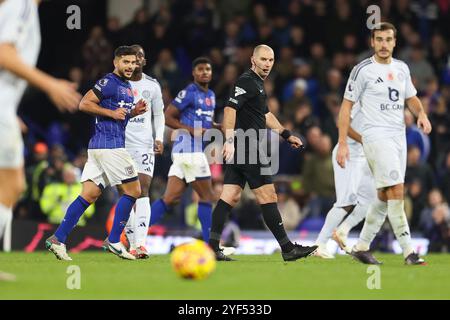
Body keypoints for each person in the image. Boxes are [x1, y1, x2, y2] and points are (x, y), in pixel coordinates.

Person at [209, 44, 317, 261]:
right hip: (247, 147)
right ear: (253, 60)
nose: (267, 64)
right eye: (263, 59)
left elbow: (265, 114)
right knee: (268, 195)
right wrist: (229, 141)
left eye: (270, 60)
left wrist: (286, 134)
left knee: (230, 195)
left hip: (243, 147)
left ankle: (212, 247)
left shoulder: (257, 84)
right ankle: (288, 249)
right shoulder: (246, 81)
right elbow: (229, 110)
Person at [336, 22, 432, 265]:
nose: (384, 44)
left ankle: (362, 246)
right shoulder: (362, 70)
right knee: (397, 190)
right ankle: (409, 251)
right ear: (372, 42)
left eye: (388, 39)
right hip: (375, 136)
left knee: (383, 195)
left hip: (398, 137)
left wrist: (421, 114)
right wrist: (343, 142)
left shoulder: (402, 68)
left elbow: (412, 98)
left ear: (395, 42)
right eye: (379, 39)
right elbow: (346, 108)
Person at [0, 0, 81, 279]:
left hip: (4, 109)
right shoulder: (21, 5)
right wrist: (51, 85)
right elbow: (4, 54)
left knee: (12, 184)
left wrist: (12, 113)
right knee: (11, 184)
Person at [46, 46, 148, 261]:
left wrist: (132, 112)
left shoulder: (127, 86)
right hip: (110, 146)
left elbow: (119, 116)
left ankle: (58, 238)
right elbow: (84, 103)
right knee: (134, 190)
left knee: (89, 194)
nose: (130, 66)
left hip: (100, 147)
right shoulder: (109, 81)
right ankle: (114, 240)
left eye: (133, 62)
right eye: (125, 62)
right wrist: (111, 112)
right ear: (116, 62)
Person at [149, 57, 221, 248]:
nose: (205, 72)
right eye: (200, 69)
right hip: (189, 149)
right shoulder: (189, 92)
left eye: (208, 69)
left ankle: (131, 235)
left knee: (170, 199)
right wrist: (191, 130)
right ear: (194, 73)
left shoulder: (211, 95)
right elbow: (167, 117)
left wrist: (218, 126)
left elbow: (205, 122)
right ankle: (211, 246)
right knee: (207, 197)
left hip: (186, 152)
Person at [314, 103, 376, 259]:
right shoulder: (360, 98)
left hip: (363, 157)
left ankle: (342, 231)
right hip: (348, 153)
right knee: (345, 202)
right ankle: (319, 245)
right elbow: (341, 122)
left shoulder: (378, 103)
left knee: (370, 201)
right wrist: (363, 139)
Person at [123, 45, 165, 259]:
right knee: (125, 193)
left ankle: (141, 243)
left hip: (144, 144)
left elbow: (159, 114)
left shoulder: (152, 85)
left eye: (140, 55)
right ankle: (130, 241)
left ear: (144, 60)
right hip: (120, 143)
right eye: (132, 57)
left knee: (143, 188)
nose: (136, 59)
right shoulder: (117, 83)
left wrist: (159, 138)